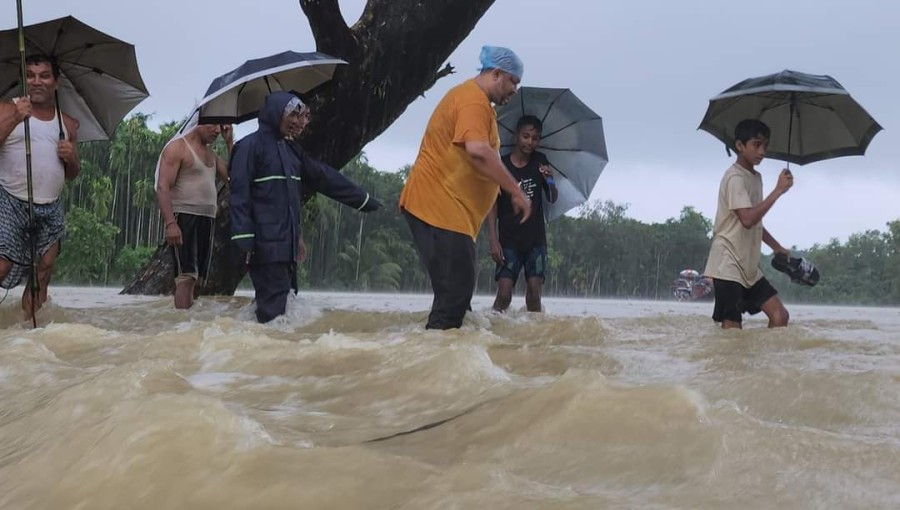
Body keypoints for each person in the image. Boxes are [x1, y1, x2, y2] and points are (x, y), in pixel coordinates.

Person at [399, 45, 532, 330]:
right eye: (514, 82)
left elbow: (480, 163)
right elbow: (478, 151)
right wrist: (516, 190)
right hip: (438, 208)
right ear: (497, 74)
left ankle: (436, 364)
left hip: (450, 213)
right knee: (454, 299)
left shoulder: (479, 104)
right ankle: (433, 367)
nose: (515, 90)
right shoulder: (473, 101)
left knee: (457, 300)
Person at [229, 91, 381, 323]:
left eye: (302, 116)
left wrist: (363, 199)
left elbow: (323, 177)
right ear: (275, 114)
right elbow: (239, 196)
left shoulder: (290, 150)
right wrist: (245, 240)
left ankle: (273, 354)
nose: (299, 122)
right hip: (265, 247)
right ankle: (274, 355)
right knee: (274, 314)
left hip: (286, 248)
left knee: (285, 309)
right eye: (293, 115)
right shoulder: (248, 147)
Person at [0, 55, 80, 318]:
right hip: (10, 200)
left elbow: (71, 175)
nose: (36, 81)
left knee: (44, 269)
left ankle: (28, 331)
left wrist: (72, 157)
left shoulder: (67, 124)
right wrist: (15, 118)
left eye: (44, 75)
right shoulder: (8, 109)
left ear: (55, 82)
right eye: (31, 75)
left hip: (51, 205)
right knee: (2, 264)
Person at [703, 119, 794, 329]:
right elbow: (747, 219)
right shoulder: (734, 178)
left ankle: (764, 362)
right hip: (727, 263)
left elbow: (756, 220)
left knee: (780, 316)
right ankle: (728, 363)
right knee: (733, 326)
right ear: (739, 146)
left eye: (765, 145)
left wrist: (777, 247)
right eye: (756, 144)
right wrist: (778, 191)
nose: (762, 151)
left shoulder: (755, 177)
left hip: (748, 266)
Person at [155, 114, 233, 309]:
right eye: (213, 124)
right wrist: (171, 223)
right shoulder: (177, 148)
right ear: (199, 121)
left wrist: (230, 142)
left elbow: (233, 178)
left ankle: (191, 328)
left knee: (199, 281)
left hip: (207, 219)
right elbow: (162, 186)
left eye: (220, 125)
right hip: (183, 217)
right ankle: (180, 326)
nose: (217, 130)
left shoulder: (211, 154)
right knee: (186, 277)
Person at [486, 115, 558, 313]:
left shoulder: (540, 161)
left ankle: (533, 338)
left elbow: (552, 197)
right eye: (526, 136)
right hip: (508, 241)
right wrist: (493, 238)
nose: (530, 142)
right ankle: (492, 331)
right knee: (504, 294)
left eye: (535, 138)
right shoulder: (501, 165)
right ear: (516, 136)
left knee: (534, 294)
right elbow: (491, 203)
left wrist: (550, 180)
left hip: (535, 241)